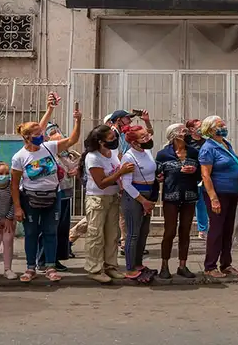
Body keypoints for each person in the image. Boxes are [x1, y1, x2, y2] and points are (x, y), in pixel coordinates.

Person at [10, 106, 82, 283]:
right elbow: (14, 184)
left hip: (52, 196)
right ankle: (30, 267)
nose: (41, 136)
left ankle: (50, 266)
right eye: (37, 133)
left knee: (51, 232)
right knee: (31, 233)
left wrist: (78, 121)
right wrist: (18, 207)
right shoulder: (19, 157)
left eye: (41, 132)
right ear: (27, 137)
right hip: (30, 198)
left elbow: (72, 139)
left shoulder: (49, 147)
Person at [82, 125, 132, 283]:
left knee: (112, 234)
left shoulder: (113, 154)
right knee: (96, 234)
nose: (115, 140)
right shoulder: (93, 157)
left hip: (113, 197)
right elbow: (101, 183)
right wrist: (120, 173)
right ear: (101, 141)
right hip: (97, 199)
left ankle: (111, 265)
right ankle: (94, 268)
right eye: (111, 138)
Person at [198, 115, 238, 278]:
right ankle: (210, 266)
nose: (224, 127)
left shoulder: (225, 144)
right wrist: (213, 198)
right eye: (220, 125)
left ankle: (226, 263)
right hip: (218, 193)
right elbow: (205, 175)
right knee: (216, 230)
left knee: (227, 230)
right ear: (210, 129)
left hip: (232, 193)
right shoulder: (208, 148)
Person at [156, 123, 202, 280]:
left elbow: (201, 175)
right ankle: (164, 265)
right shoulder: (163, 154)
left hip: (189, 196)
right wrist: (160, 177)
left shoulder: (194, 153)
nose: (187, 133)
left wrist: (195, 171)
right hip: (171, 196)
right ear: (174, 135)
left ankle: (182, 265)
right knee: (169, 231)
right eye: (184, 131)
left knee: (185, 231)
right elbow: (158, 174)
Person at [38, 121, 81, 272]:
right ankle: (43, 260)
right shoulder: (46, 153)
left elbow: (71, 169)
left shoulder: (65, 155)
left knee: (61, 229)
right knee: (49, 229)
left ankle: (55, 258)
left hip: (65, 194)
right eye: (52, 134)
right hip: (52, 195)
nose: (58, 136)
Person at [119, 125, 157, 279]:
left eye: (147, 135)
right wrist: (143, 201)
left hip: (148, 194)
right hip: (134, 196)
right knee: (133, 233)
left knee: (143, 232)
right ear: (134, 143)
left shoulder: (147, 151)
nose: (147, 139)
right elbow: (126, 184)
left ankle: (138, 262)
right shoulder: (128, 157)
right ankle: (130, 268)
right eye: (143, 137)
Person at [185, 118, 209, 239]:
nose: (201, 128)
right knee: (187, 203)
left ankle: (203, 229)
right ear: (191, 129)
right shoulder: (186, 141)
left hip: (202, 175)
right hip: (188, 176)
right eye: (199, 126)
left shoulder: (206, 142)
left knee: (202, 202)